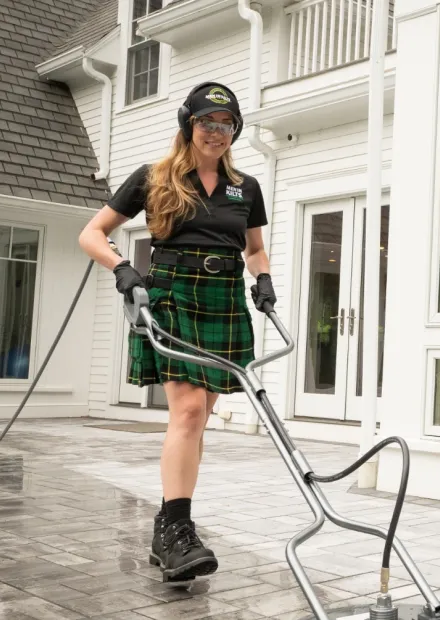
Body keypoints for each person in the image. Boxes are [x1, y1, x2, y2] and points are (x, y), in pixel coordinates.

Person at [78, 81, 276, 582]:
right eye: (207, 122)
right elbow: (91, 233)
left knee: (198, 417)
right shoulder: (153, 177)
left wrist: (265, 280)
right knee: (187, 411)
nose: (217, 132)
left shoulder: (245, 187)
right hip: (173, 292)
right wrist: (124, 268)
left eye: (227, 124)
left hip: (224, 296)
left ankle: (168, 528)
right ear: (188, 124)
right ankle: (177, 530)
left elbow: (252, 249)